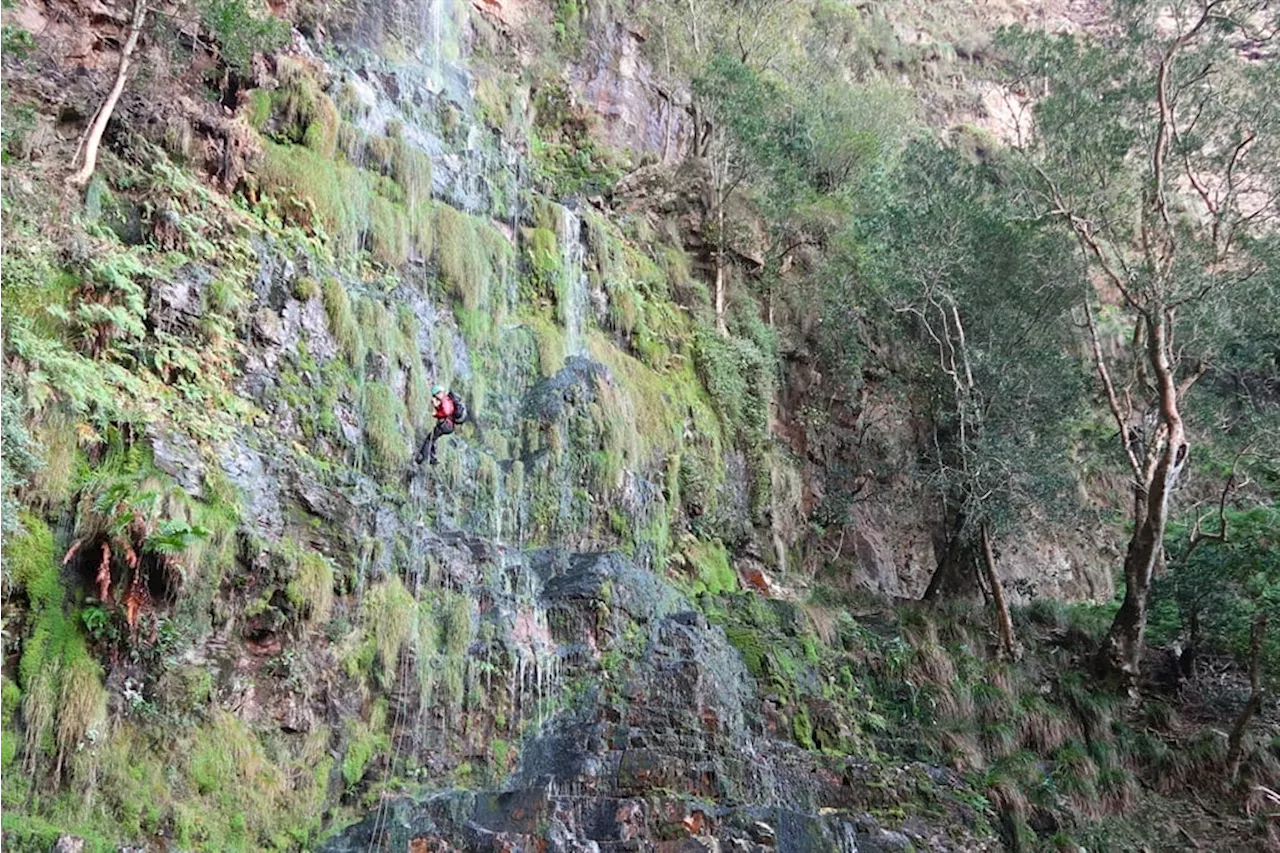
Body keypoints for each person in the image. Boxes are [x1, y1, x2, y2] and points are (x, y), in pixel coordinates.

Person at [416, 385, 455, 466]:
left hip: (445, 425)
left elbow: (446, 412)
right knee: (433, 438)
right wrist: (436, 406)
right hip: (447, 425)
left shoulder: (445, 400)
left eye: (435, 395)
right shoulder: (446, 400)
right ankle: (433, 459)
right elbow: (444, 412)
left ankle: (421, 457)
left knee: (429, 439)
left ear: (439, 393)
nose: (435, 397)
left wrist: (436, 414)